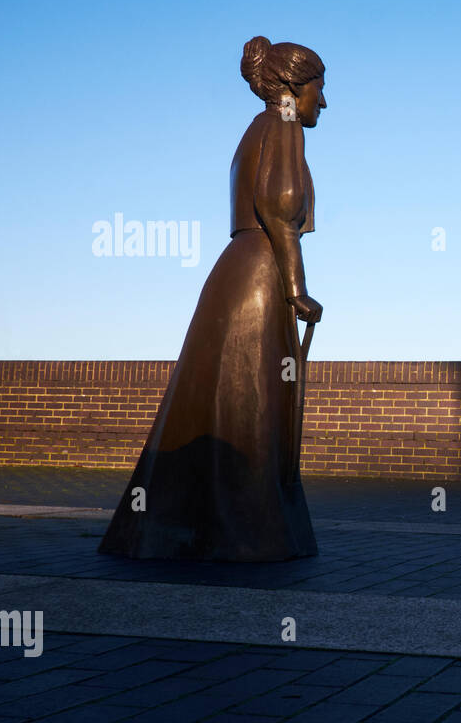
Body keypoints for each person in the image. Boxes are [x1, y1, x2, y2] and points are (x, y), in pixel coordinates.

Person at [98, 36, 326, 560]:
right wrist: (297, 289)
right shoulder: (285, 124)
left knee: (221, 397)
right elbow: (280, 207)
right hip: (261, 274)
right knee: (251, 402)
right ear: (293, 88)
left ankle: (188, 525)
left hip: (238, 273)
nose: (324, 102)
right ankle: (247, 531)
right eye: (319, 88)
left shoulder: (257, 130)